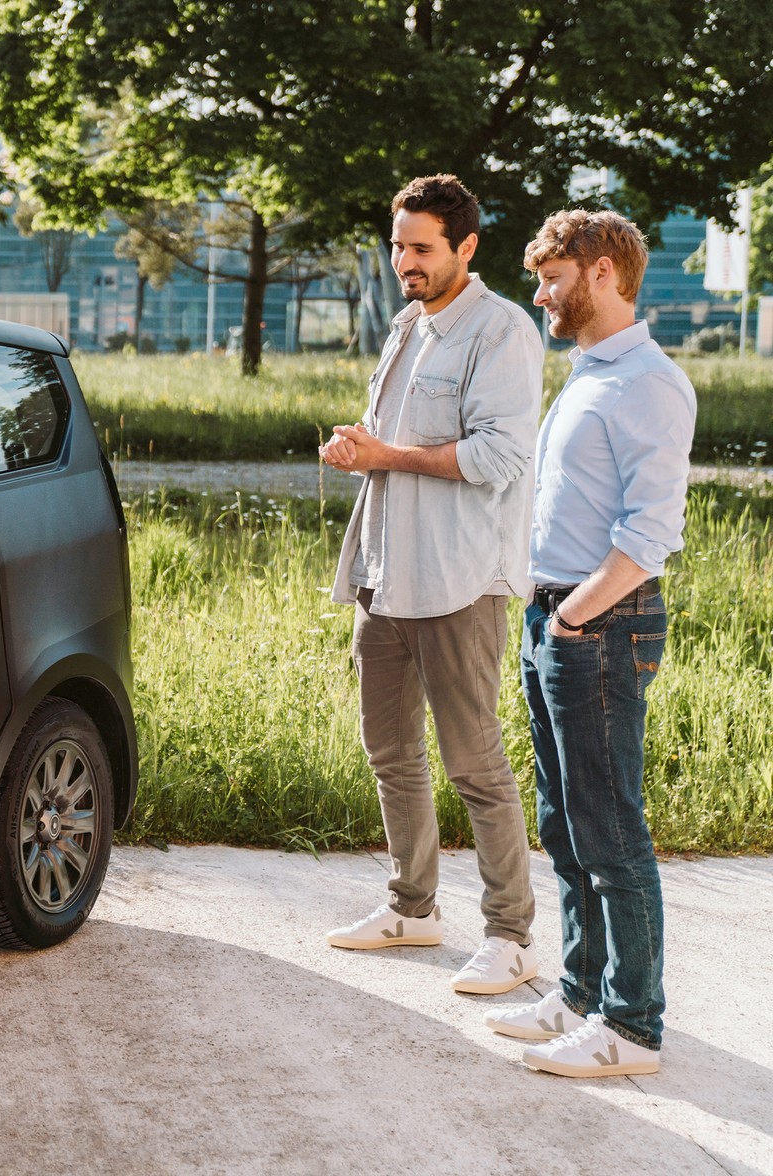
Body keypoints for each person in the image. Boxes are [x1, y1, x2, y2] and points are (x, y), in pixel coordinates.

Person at [319, 175, 546, 995]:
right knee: (389, 750)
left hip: (459, 582)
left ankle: (511, 934)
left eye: (421, 248)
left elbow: (496, 457)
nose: (404, 263)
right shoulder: (406, 327)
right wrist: (361, 447)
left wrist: (387, 456)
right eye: (397, 246)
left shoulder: (503, 332)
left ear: (466, 248)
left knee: (474, 762)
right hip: (386, 572)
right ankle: (413, 909)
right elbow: (399, 444)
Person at [487, 211, 694, 1078]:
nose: (540, 294)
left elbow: (649, 535)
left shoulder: (647, 382)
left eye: (552, 279)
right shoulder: (589, 374)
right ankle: (580, 991)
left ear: (602, 272)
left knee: (610, 830)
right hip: (556, 618)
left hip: (600, 624)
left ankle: (632, 1026)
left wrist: (573, 615)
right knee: (565, 824)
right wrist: (545, 610)